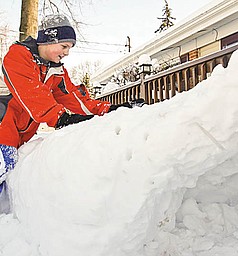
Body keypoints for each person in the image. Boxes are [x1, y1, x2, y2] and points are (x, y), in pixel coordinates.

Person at [0, 14, 143, 195]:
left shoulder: (56, 70)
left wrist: (109, 109)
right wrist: (60, 118)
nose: (67, 52)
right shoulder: (18, 56)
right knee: (4, 168)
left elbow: (76, 98)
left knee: (8, 177)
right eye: (64, 46)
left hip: (19, 136)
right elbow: (32, 93)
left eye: (70, 48)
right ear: (50, 39)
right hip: (3, 128)